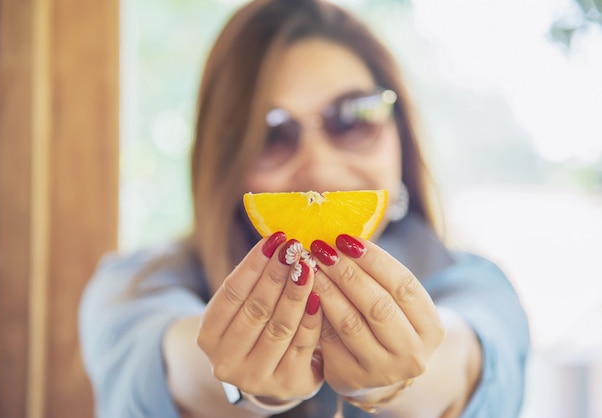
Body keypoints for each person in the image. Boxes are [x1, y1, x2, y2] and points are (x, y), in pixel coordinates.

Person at [79, 0, 530, 417]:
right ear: (225, 162)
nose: (320, 167)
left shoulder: (478, 284)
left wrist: (398, 383)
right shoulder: (131, 286)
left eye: (353, 117)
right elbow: (166, 356)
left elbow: (468, 355)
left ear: (400, 134)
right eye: (270, 134)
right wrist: (248, 386)